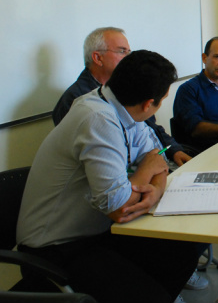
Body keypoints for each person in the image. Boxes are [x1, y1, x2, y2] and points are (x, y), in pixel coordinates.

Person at [17, 51, 207, 303]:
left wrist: (155, 191)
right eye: (161, 100)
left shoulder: (123, 108)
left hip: (98, 231)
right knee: (152, 295)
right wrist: (145, 174)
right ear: (148, 104)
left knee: (181, 254)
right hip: (57, 247)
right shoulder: (97, 118)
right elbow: (119, 208)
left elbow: (157, 160)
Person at [52, 27, 192, 168]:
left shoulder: (129, 87)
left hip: (152, 162)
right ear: (97, 58)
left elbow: (151, 127)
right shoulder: (77, 100)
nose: (129, 58)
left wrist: (174, 150)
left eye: (129, 52)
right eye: (122, 51)